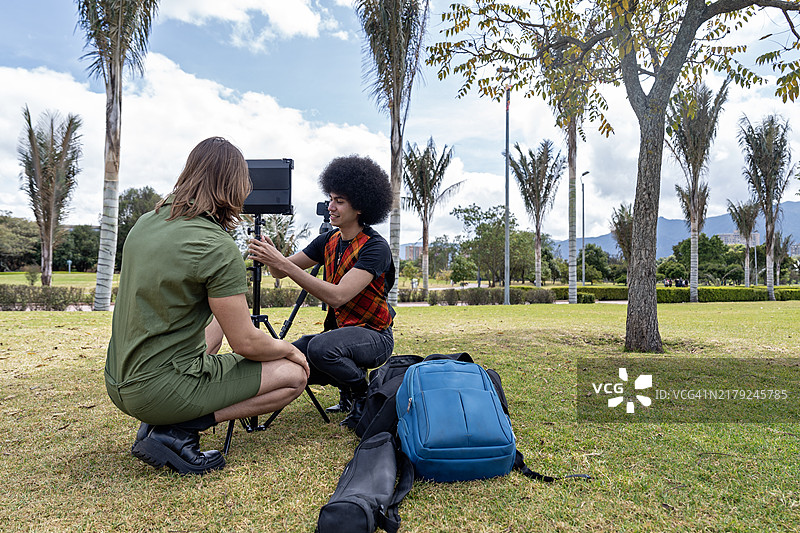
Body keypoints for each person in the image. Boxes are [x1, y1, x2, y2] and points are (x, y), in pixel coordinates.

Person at [105, 137, 310, 475]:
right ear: (235, 186)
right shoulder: (216, 245)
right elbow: (245, 342)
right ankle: (177, 430)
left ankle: (164, 422)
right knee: (294, 375)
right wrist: (289, 349)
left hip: (118, 381)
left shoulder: (146, 222)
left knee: (217, 319)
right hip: (157, 391)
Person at [248, 155, 395, 429]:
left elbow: (337, 296)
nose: (331, 206)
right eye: (330, 199)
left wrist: (281, 263)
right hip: (342, 335)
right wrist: (271, 255)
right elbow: (282, 271)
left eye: (339, 201)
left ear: (361, 206)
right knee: (292, 352)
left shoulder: (375, 247)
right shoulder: (328, 240)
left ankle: (361, 394)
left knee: (320, 347)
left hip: (375, 336)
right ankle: (347, 389)